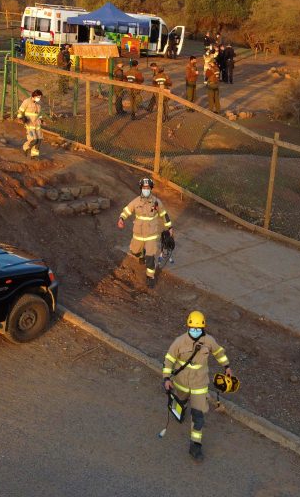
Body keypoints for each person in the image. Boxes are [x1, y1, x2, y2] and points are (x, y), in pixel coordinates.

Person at [162, 310, 233, 462]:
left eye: (198, 329)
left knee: (198, 416)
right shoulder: (179, 342)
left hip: (199, 384)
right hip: (181, 382)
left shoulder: (209, 341)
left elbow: (219, 352)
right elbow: (169, 359)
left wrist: (226, 366)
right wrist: (166, 378)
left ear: (203, 328)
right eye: (192, 329)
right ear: (188, 327)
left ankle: (195, 445)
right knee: (179, 403)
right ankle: (180, 410)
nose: (195, 332)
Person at [117, 177, 173, 288]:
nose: (145, 189)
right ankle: (140, 254)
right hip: (138, 233)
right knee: (134, 251)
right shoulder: (136, 201)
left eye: (147, 187)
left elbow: (163, 214)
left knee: (150, 257)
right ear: (141, 188)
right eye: (144, 187)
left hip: (151, 235)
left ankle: (150, 277)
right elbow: (127, 210)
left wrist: (170, 227)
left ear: (151, 188)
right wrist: (121, 219)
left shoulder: (156, 202)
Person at [17, 89, 44, 158]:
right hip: (30, 125)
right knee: (34, 140)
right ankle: (25, 148)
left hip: (37, 125)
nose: (39, 98)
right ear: (33, 96)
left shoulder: (39, 104)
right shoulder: (26, 102)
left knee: (39, 140)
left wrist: (42, 120)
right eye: (38, 97)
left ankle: (34, 156)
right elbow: (20, 111)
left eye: (40, 97)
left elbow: (39, 114)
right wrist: (21, 118)